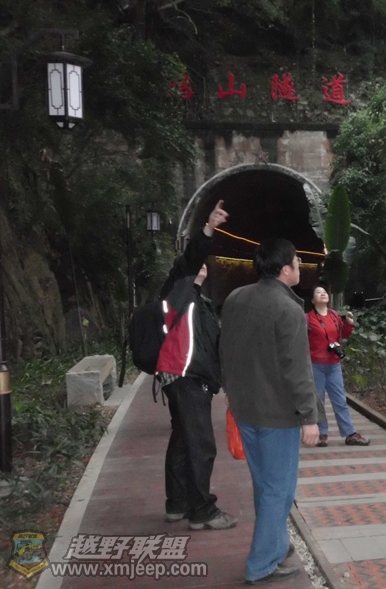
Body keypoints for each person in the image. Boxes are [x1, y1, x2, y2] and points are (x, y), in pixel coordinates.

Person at [219, 238, 320, 585]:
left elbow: (225, 350)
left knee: (264, 485)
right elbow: (297, 368)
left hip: (245, 408)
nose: (300, 266)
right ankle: (261, 564)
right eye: (297, 261)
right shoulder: (287, 309)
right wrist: (309, 417)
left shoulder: (236, 298)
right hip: (277, 414)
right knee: (279, 490)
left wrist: (231, 392)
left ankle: (277, 547)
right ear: (284, 269)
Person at [155, 200, 238, 531]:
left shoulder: (200, 303)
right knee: (201, 444)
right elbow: (191, 258)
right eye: (196, 265)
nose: (202, 266)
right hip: (186, 377)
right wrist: (209, 228)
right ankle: (203, 509)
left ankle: (176, 503)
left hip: (187, 378)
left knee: (182, 440)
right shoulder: (179, 290)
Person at [307, 285, 370, 447]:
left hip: (333, 365)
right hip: (316, 365)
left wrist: (349, 324)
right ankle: (321, 434)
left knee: (340, 400)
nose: (323, 294)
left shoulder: (334, 315)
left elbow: (344, 335)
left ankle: (350, 434)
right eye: (318, 293)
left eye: (324, 292)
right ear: (313, 300)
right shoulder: (308, 318)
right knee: (318, 401)